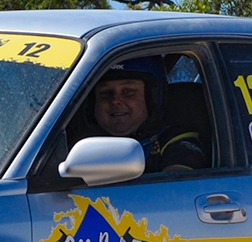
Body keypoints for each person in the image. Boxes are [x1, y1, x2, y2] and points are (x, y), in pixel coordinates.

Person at [78, 58, 206, 173]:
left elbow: (177, 185)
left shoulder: (176, 139)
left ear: (152, 98)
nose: (115, 101)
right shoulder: (77, 144)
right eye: (105, 93)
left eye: (128, 91)